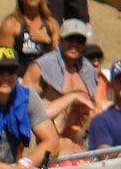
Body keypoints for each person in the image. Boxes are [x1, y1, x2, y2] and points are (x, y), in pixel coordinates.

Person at [25, 19, 101, 147]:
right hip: (49, 137)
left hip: (80, 139)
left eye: (80, 41)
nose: (75, 44)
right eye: (70, 39)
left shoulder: (88, 70)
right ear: (60, 40)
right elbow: (24, 103)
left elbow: (97, 103)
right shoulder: (42, 66)